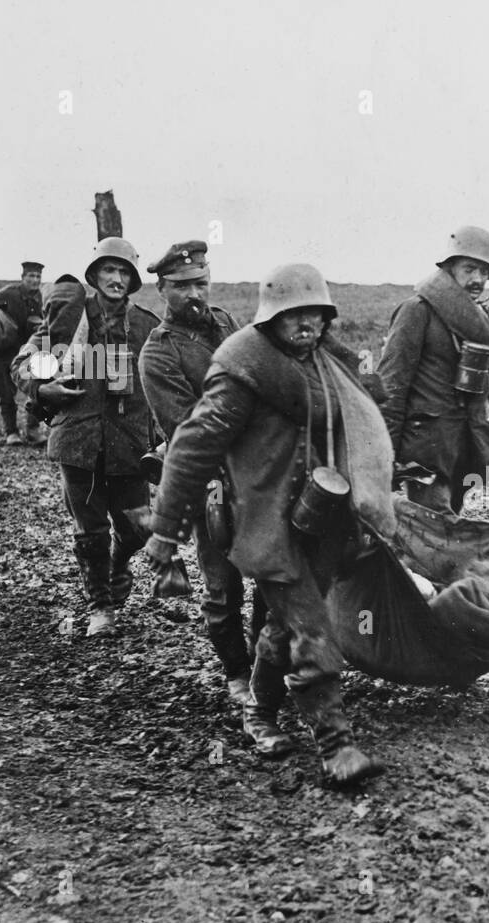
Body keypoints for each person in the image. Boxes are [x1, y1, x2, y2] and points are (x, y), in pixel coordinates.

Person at [143, 264, 384, 786]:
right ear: (271, 318)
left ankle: (259, 710)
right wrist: (166, 529)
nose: (306, 326)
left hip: (325, 519)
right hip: (267, 523)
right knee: (313, 628)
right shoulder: (244, 370)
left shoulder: (331, 366)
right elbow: (192, 445)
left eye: (315, 315)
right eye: (294, 315)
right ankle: (337, 745)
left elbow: (366, 420)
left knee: (283, 627)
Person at [15, 238, 160, 638]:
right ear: (94, 276)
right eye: (108, 271)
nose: (116, 279)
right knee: (90, 529)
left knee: (137, 528)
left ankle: (117, 566)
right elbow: (25, 362)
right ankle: (101, 606)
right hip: (78, 441)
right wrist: (42, 389)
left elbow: (165, 379)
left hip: (130, 443)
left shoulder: (147, 326)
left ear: (132, 280)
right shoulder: (69, 319)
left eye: (124, 272)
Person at [138, 240, 253, 705]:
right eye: (182, 287)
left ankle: (267, 666)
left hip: (256, 472)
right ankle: (237, 674)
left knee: (274, 573)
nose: (195, 294)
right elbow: (187, 428)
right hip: (211, 481)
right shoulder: (159, 353)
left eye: (201, 283)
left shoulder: (226, 323)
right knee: (223, 585)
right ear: (161, 289)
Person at [378, 226, 489, 513]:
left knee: (438, 538)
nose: (478, 279)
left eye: (484, 272)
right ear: (448, 268)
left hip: (469, 450)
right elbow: (391, 389)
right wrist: (385, 459)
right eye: (470, 269)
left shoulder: (485, 323)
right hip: (425, 454)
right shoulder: (417, 311)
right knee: (436, 537)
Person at [0, 261, 44, 445]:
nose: (35, 280)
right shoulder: (10, 293)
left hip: (30, 351)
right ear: (23, 278)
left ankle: (33, 429)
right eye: (31, 276)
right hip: (7, 351)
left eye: (38, 276)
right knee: (6, 393)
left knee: (37, 389)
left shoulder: (39, 297)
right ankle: (11, 432)